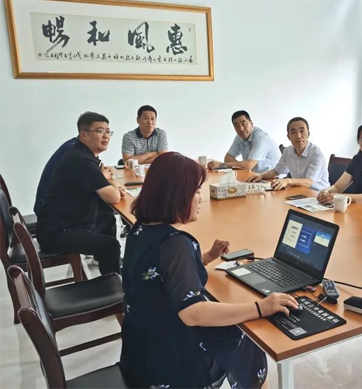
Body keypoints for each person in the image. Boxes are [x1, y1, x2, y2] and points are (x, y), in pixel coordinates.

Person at [120, 152, 298, 389]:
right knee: (247, 335)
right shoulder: (176, 243)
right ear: (176, 195)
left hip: (140, 348)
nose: (200, 198)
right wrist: (260, 307)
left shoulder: (140, 228)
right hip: (169, 362)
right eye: (195, 192)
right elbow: (193, 313)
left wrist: (206, 257)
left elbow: (158, 274)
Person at [36, 112, 124, 275]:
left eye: (108, 131)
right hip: (57, 232)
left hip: (71, 221)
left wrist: (107, 181)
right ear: (83, 135)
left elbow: (104, 184)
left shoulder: (82, 153)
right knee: (110, 245)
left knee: (108, 220)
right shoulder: (80, 160)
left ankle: (109, 268)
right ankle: (113, 287)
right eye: (99, 131)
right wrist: (110, 183)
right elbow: (113, 196)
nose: (106, 136)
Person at [246, 117, 329, 191]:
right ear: (288, 137)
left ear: (308, 134)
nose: (298, 136)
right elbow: (276, 171)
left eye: (302, 131)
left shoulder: (316, 154)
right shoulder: (287, 151)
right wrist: (261, 176)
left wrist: (288, 181)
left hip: (319, 195)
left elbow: (309, 182)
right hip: (299, 192)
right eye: (293, 132)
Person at [207, 110, 280, 173]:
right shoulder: (240, 136)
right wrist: (242, 166)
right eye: (237, 126)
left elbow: (249, 165)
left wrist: (222, 165)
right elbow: (228, 158)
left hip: (273, 178)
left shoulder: (261, 138)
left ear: (251, 123)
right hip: (253, 175)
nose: (241, 129)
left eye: (243, 123)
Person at [34, 137, 78, 215]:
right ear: (83, 134)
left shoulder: (73, 147)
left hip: (49, 209)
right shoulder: (74, 150)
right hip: (51, 214)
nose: (102, 137)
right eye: (99, 131)